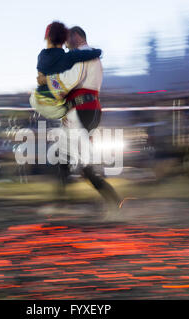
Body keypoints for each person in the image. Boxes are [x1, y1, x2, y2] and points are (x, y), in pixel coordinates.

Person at [37, 26, 123, 218]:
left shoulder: (82, 56)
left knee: (82, 166)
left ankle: (114, 203)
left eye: (67, 40)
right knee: (64, 159)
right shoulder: (86, 56)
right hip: (83, 110)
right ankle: (62, 205)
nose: (66, 45)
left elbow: (67, 83)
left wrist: (47, 81)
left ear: (76, 37)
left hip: (82, 111)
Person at [30, 21, 102, 119]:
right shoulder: (69, 57)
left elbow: (69, 79)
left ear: (47, 38)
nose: (67, 46)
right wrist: (97, 51)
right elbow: (92, 54)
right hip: (85, 107)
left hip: (38, 100)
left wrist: (46, 79)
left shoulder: (41, 56)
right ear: (63, 40)